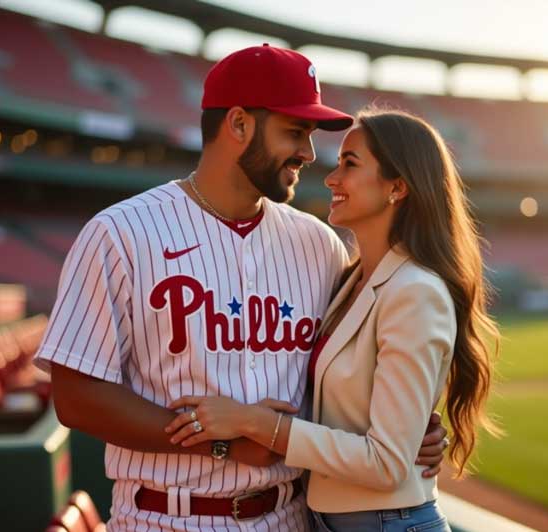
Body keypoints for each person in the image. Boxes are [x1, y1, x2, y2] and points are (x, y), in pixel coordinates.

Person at [34, 45, 448, 532]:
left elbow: (348, 378)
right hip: (167, 516)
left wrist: (408, 428)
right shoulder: (121, 233)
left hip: (294, 517)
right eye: (295, 131)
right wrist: (221, 442)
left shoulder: (320, 245)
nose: (309, 154)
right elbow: (77, 396)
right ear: (238, 125)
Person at [164, 108, 501, 532]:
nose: (331, 178)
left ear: (397, 187)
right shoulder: (350, 279)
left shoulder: (415, 291)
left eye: (350, 164)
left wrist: (253, 421)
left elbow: (386, 464)